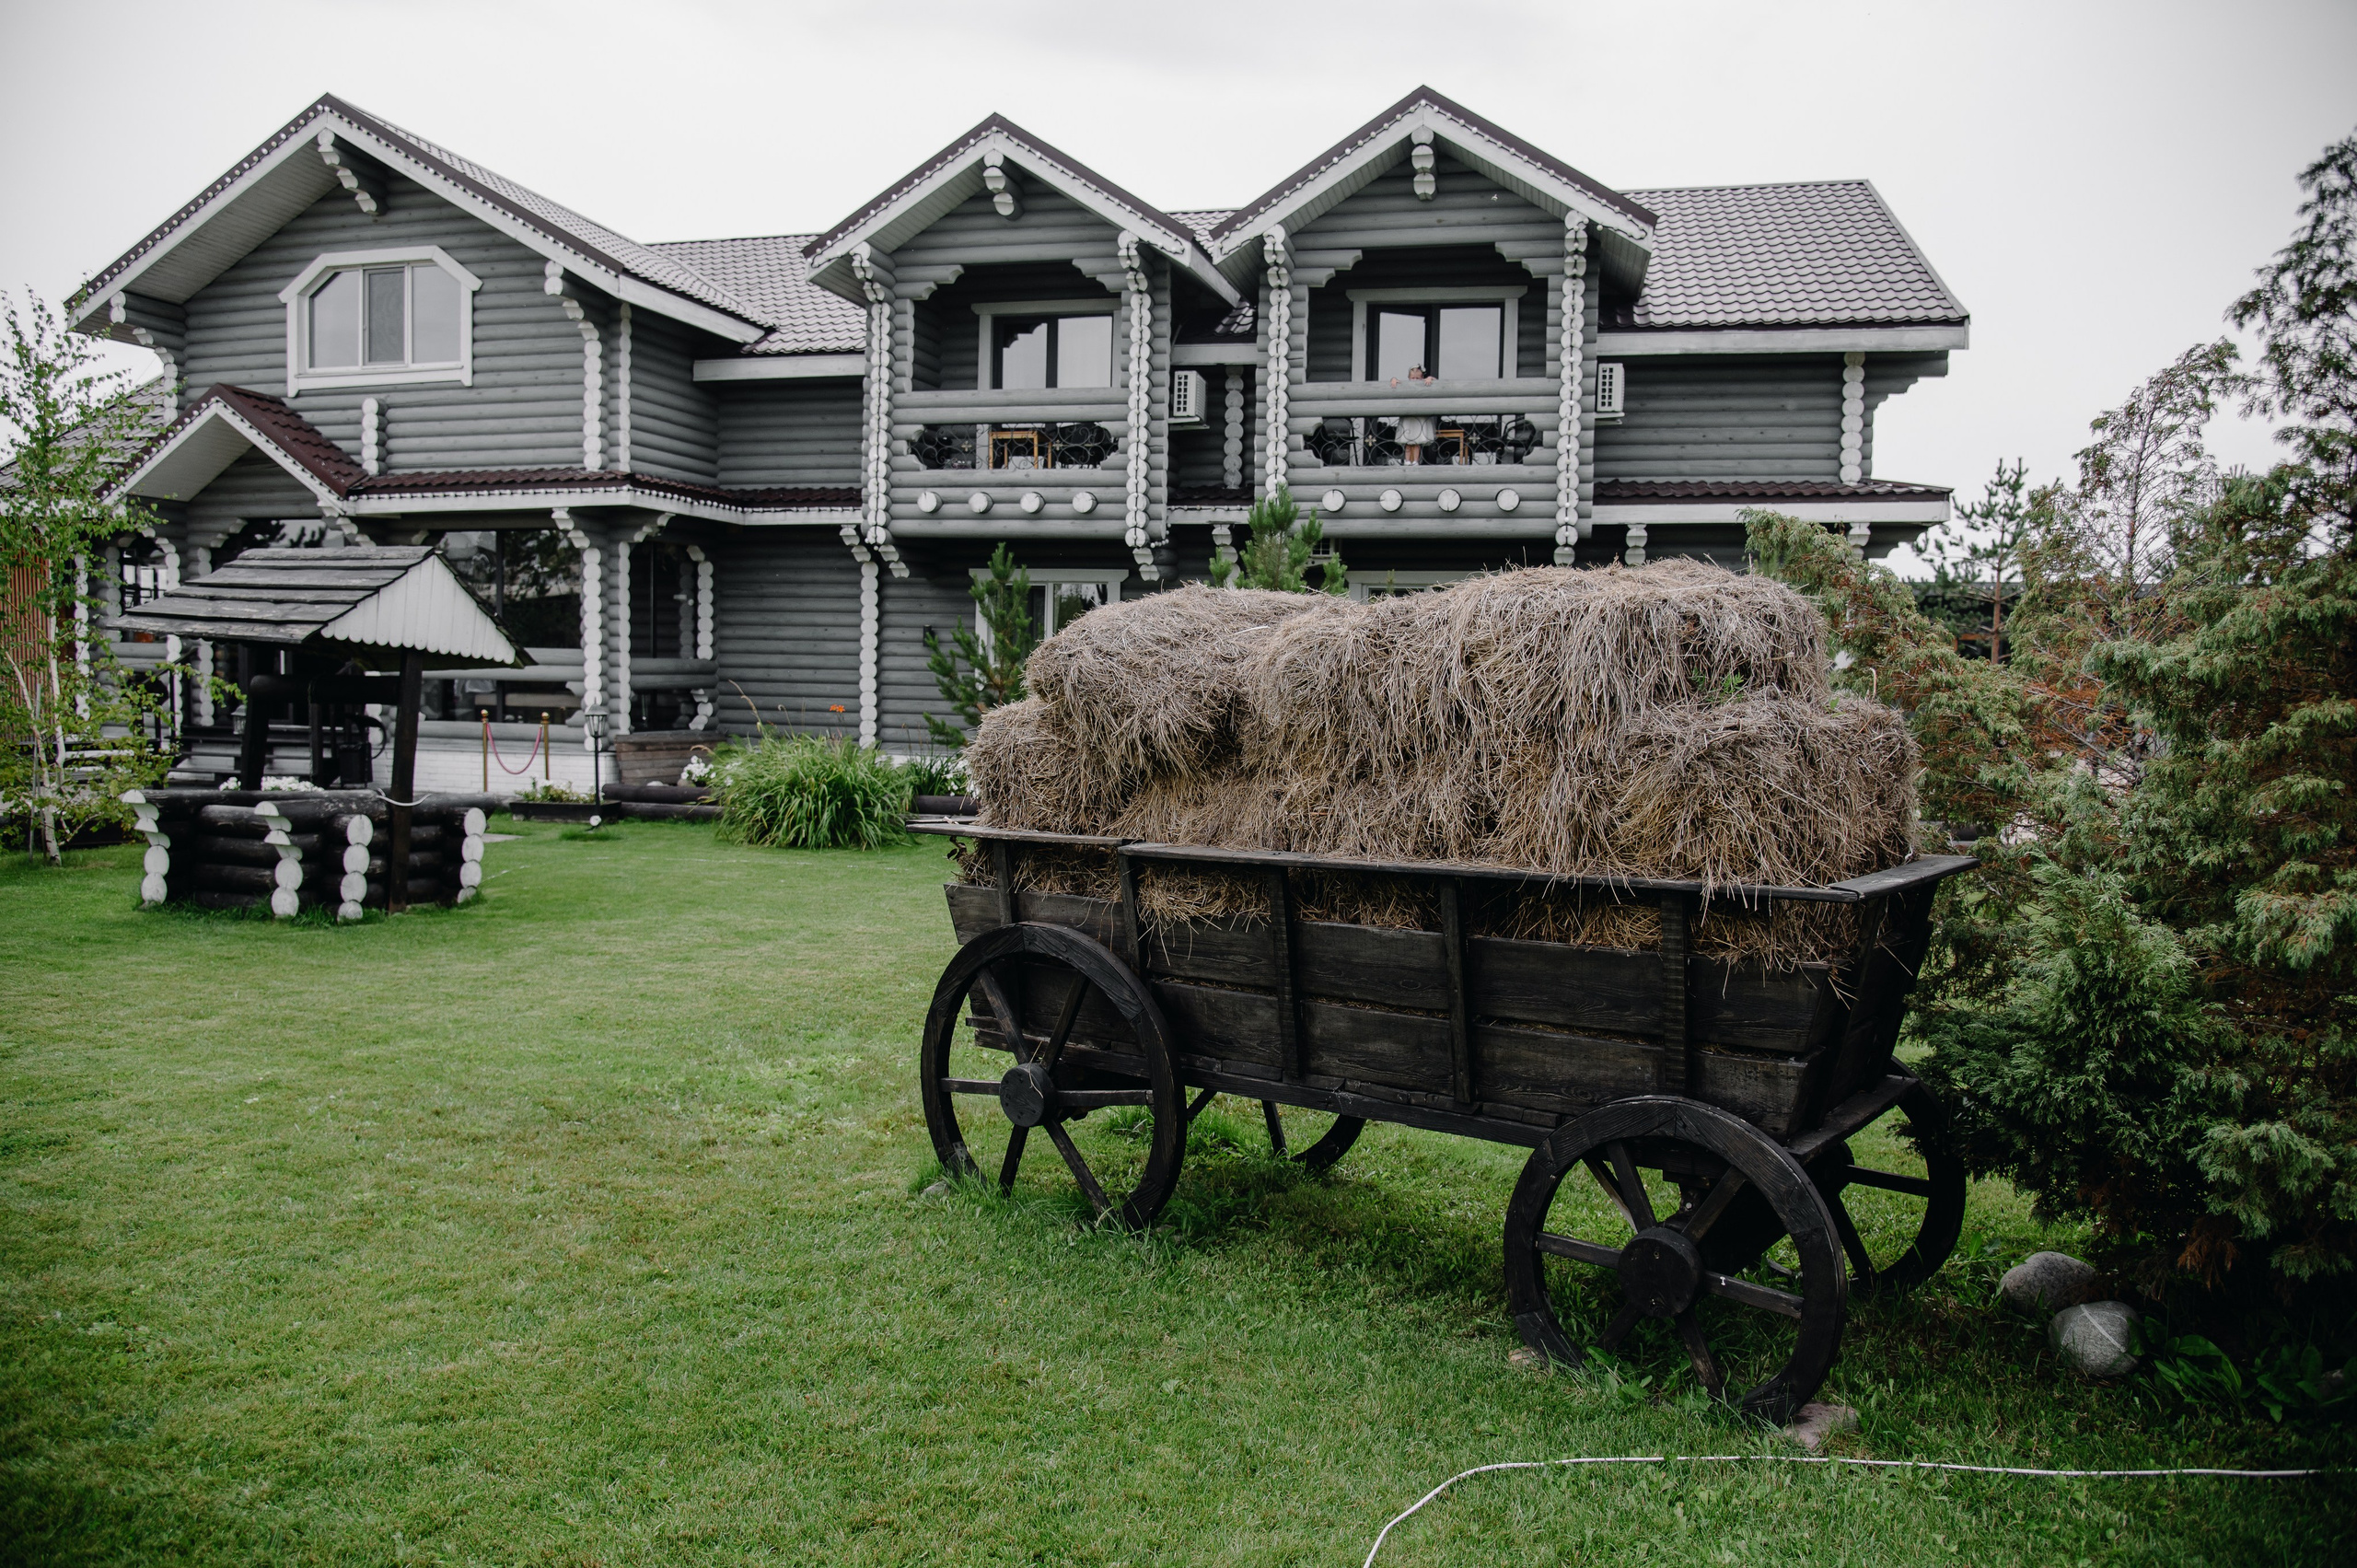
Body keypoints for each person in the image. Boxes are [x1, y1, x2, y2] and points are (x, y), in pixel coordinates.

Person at [1390, 363, 1437, 464]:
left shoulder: (1425, 384)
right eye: (1412, 378)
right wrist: (1393, 379)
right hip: (1408, 416)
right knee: (1408, 440)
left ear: (1422, 378)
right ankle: (1407, 461)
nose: (1415, 380)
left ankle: (1415, 461)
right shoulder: (1405, 386)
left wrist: (1430, 378)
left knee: (1417, 441)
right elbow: (1395, 382)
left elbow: (1436, 382)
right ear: (1408, 377)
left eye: (1417, 378)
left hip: (1419, 416)